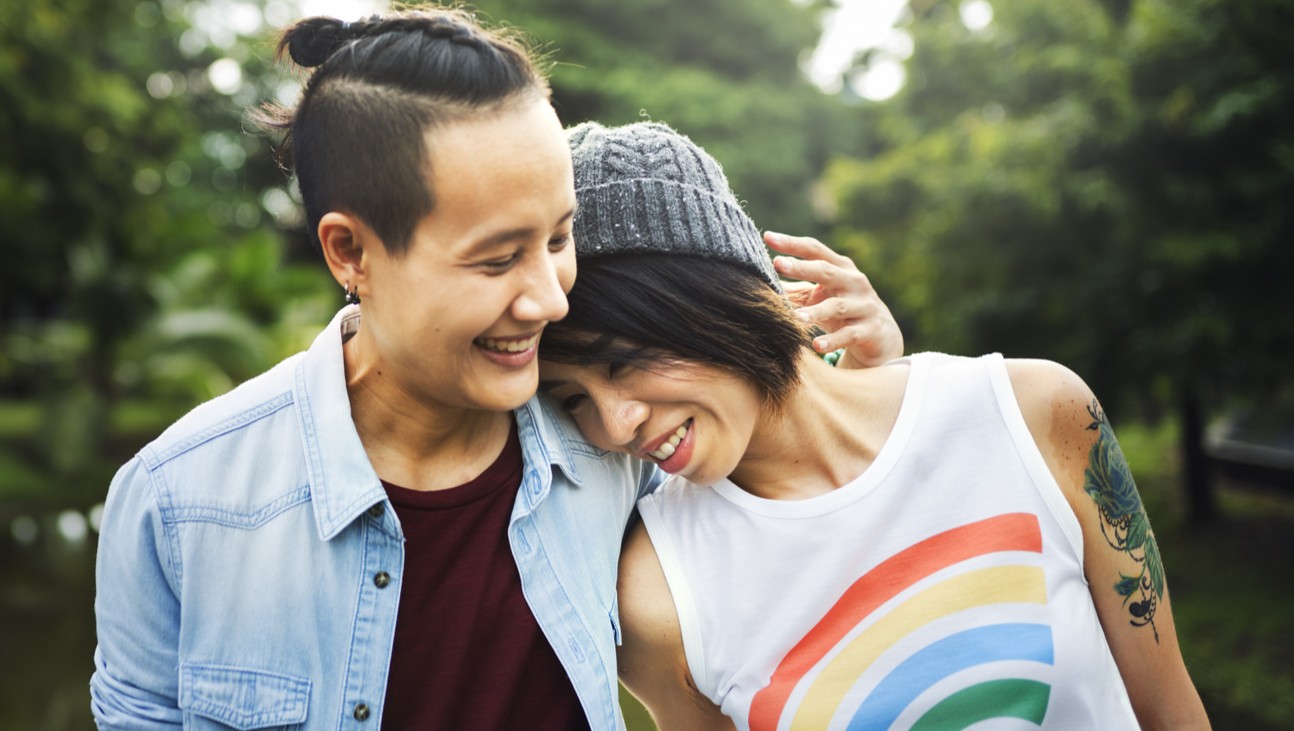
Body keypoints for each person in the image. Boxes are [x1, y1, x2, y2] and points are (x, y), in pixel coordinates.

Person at [89, 7, 902, 730]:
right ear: (351, 251)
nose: (550, 299)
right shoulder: (176, 504)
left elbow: (819, 549)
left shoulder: (619, 448)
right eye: (497, 260)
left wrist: (869, 389)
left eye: (558, 238)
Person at [538, 121, 1212, 730]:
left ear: (719, 295)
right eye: (572, 399)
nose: (615, 423)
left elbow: (1169, 709)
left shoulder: (1033, 411)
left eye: (627, 361)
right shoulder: (660, 597)